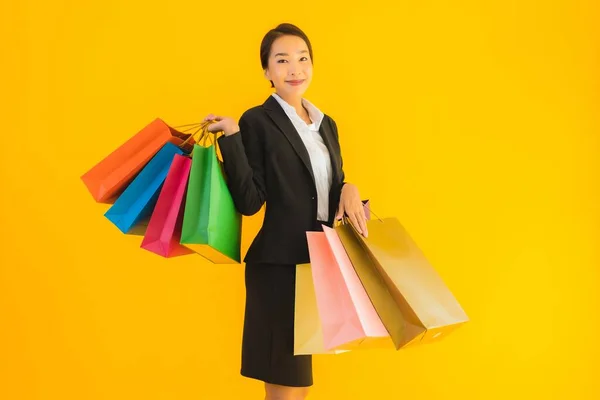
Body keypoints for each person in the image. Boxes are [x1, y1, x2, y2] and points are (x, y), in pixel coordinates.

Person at [202, 23, 368, 400]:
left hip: (318, 268)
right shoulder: (257, 121)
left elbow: (329, 187)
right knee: (288, 387)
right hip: (280, 269)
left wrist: (350, 189)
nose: (295, 69)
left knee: (298, 387)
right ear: (267, 72)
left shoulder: (326, 126)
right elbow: (249, 201)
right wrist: (232, 137)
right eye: (282, 60)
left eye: (302, 58)